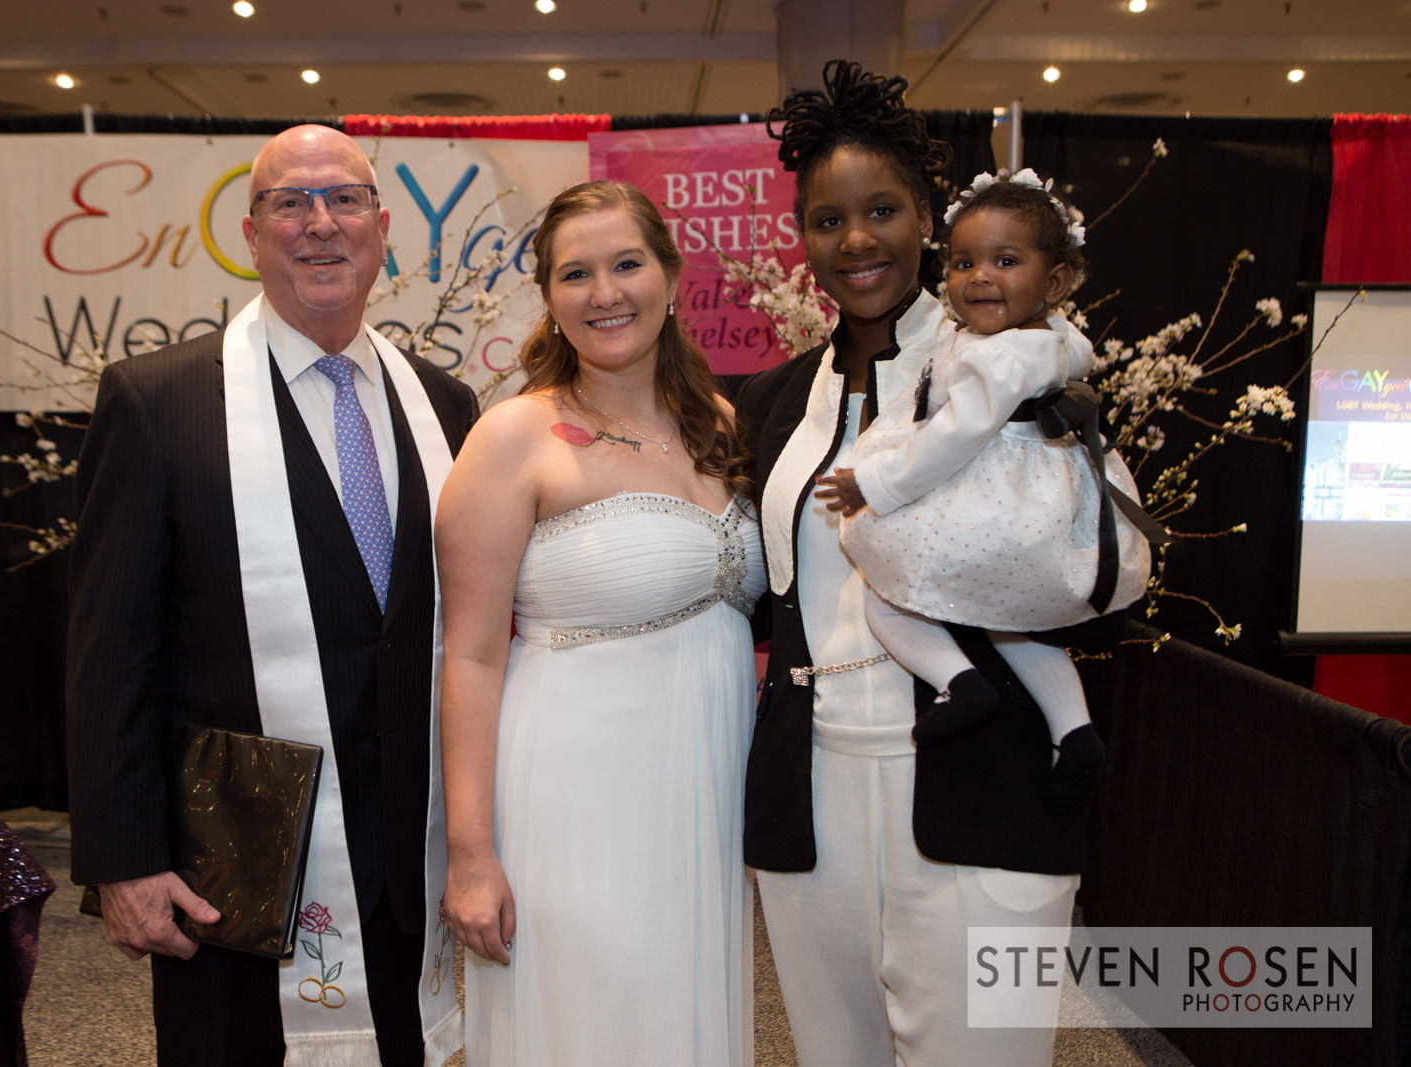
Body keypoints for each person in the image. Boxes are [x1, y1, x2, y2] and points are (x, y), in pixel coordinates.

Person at [66, 124, 478, 1067]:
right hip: (241, 862)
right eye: (289, 202)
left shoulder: (447, 407)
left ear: (381, 228)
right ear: (252, 234)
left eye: (342, 200)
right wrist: (123, 858)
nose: (318, 223)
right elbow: (108, 655)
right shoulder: (157, 402)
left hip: (414, 851)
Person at [737, 60, 1085, 1066]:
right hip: (812, 795)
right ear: (799, 235)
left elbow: (1095, 577)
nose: (856, 242)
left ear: (929, 216)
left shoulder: (1023, 364)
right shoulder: (772, 400)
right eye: (826, 220)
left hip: (983, 778)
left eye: (882, 209)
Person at [437, 179, 765, 1066]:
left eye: (627, 263)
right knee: (596, 1020)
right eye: (576, 273)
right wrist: (470, 854)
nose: (606, 292)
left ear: (669, 274)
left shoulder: (722, 427)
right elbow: (467, 653)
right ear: (547, 297)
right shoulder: (513, 436)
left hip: (701, 797)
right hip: (577, 799)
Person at [818, 169, 1150, 812]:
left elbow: (954, 435)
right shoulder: (1052, 339)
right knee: (1016, 624)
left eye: (1005, 260)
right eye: (963, 261)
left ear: (1054, 281)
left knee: (887, 589)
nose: (978, 277)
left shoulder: (1000, 357)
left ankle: (959, 684)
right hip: (1044, 504)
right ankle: (1075, 731)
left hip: (990, 496)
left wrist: (877, 486)